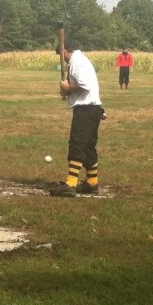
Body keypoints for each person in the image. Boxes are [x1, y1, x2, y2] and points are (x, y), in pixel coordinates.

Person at [49, 38, 104, 197]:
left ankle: (71, 184)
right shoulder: (79, 61)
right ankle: (92, 183)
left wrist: (68, 87)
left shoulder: (78, 62)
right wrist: (66, 91)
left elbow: (84, 84)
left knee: (77, 144)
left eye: (62, 55)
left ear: (66, 51)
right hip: (91, 108)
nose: (63, 59)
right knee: (87, 147)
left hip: (86, 110)